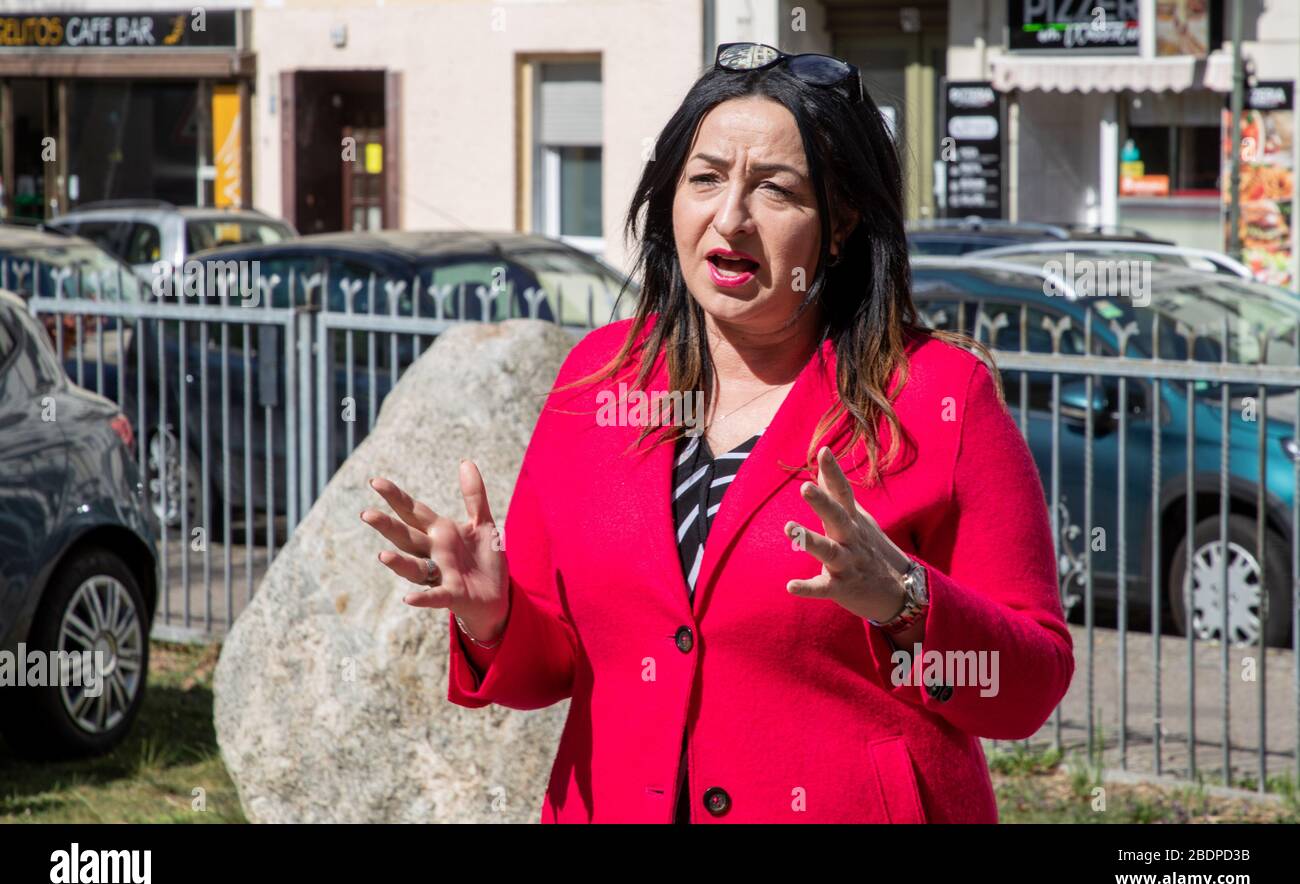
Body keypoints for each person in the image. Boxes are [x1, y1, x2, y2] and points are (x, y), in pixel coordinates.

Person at [361, 42, 1074, 823]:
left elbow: (1028, 687)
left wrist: (906, 603)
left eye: (776, 191)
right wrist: (494, 617)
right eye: (705, 179)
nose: (729, 217)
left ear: (840, 226)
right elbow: (556, 664)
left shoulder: (941, 394)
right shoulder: (600, 380)